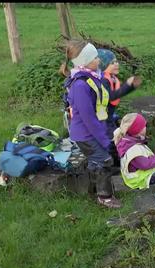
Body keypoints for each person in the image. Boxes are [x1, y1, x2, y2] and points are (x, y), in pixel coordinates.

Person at [59, 40, 120, 209]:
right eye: (94, 58)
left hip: (93, 129)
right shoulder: (80, 85)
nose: (99, 60)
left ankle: (92, 189)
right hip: (85, 134)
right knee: (104, 160)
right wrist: (102, 137)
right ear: (83, 62)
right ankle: (105, 197)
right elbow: (88, 117)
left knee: (98, 160)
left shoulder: (91, 77)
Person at [96, 49, 142, 141]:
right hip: (102, 121)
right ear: (103, 65)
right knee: (112, 141)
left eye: (117, 61)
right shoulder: (103, 80)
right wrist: (128, 86)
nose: (117, 64)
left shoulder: (112, 78)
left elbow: (118, 94)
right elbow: (110, 97)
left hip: (109, 117)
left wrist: (130, 86)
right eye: (112, 63)